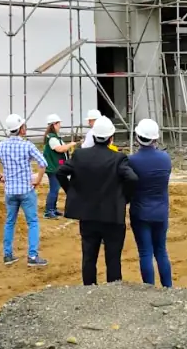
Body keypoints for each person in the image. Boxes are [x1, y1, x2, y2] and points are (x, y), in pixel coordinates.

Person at [57, 116, 138, 285]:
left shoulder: (80, 155)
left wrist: (72, 192)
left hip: (87, 216)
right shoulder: (118, 158)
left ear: (93, 136)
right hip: (112, 216)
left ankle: (88, 291)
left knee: (88, 258)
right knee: (113, 259)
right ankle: (113, 292)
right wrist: (125, 197)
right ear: (111, 138)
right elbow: (132, 178)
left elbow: (60, 172)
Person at [0, 114, 48, 268]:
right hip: (26, 190)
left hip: (10, 191)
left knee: (10, 222)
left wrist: (0, 177)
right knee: (32, 222)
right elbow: (43, 163)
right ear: (20, 129)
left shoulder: (2, 145)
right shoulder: (27, 145)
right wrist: (38, 179)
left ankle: (8, 255)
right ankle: (32, 256)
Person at [128, 118, 173, 288]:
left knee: (145, 253)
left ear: (138, 137)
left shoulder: (132, 161)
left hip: (140, 212)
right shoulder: (165, 159)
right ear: (155, 138)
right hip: (160, 211)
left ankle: (149, 288)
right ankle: (168, 288)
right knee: (161, 251)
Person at [42, 114, 77, 219]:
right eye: (58, 124)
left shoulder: (54, 137)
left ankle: (53, 208)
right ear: (54, 124)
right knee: (54, 189)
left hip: (57, 166)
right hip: (53, 167)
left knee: (55, 189)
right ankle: (49, 211)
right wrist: (71, 144)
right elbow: (60, 149)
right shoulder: (52, 138)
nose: (60, 126)